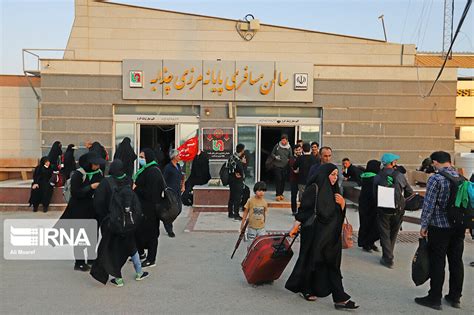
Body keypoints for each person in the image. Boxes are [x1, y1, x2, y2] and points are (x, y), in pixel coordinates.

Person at [286, 163, 358, 310]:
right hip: (315, 234)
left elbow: (338, 215)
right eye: (332, 174)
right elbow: (304, 210)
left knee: (333, 266)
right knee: (312, 262)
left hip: (331, 237)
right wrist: (295, 225)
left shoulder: (335, 191)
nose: (334, 178)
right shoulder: (314, 188)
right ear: (324, 175)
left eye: (336, 175)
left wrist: (343, 205)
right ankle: (306, 288)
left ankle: (340, 298)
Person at [415, 151, 465, 310]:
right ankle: (455, 297)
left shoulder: (436, 179)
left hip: (439, 226)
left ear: (435, 162)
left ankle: (434, 297)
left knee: (438, 261)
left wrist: (424, 226)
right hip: (458, 226)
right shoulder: (461, 178)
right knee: (456, 261)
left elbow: (429, 204)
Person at [90, 159, 149, 286]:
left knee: (113, 250)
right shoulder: (129, 180)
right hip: (128, 221)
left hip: (112, 222)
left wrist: (105, 216)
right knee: (132, 247)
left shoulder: (106, 182)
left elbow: (98, 203)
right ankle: (139, 272)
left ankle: (118, 278)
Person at [59, 151, 105, 271]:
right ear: (89, 164)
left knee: (93, 235)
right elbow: (76, 192)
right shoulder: (78, 174)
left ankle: (90, 258)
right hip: (79, 210)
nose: (98, 166)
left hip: (93, 210)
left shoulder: (99, 173)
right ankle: (79, 262)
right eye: (95, 164)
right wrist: (90, 187)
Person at [373, 153, 413, 268]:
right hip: (398, 208)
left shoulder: (378, 176)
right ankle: (389, 255)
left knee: (384, 232)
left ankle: (388, 257)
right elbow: (409, 191)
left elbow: (374, 194)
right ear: (392, 163)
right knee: (393, 232)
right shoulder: (400, 175)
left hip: (383, 208)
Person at [133, 148, 165, 268]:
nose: (140, 159)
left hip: (150, 208)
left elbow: (151, 193)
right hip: (143, 207)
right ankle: (141, 254)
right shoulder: (147, 170)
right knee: (140, 231)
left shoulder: (153, 172)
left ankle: (151, 259)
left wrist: (136, 188)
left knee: (151, 234)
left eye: (142, 157)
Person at [357, 160, 381, 252]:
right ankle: (368, 243)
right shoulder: (375, 177)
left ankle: (366, 242)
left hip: (364, 203)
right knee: (373, 224)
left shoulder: (365, 176)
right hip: (372, 203)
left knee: (364, 223)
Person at [163, 149, 185, 238]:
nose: (179, 157)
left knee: (179, 209)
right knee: (172, 210)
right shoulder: (168, 168)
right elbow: (164, 179)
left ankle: (168, 221)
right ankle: (169, 229)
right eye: (178, 155)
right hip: (171, 192)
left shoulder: (178, 166)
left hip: (178, 191)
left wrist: (183, 185)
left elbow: (182, 176)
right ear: (174, 157)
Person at [271, 134, 293, 201]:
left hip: (285, 166)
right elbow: (272, 153)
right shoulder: (277, 145)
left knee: (283, 180)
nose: (283, 141)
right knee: (278, 179)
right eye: (282, 140)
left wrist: (289, 160)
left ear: (287, 140)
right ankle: (277, 194)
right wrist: (275, 157)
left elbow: (291, 156)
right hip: (277, 166)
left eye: (284, 140)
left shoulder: (289, 147)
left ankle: (281, 194)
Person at [228, 144, 246, 220]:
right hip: (237, 182)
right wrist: (243, 163)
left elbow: (231, 169)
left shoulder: (231, 157)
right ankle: (236, 214)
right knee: (237, 198)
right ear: (242, 150)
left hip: (231, 181)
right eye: (243, 150)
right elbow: (241, 171)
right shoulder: (238, 160)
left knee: (232, 197)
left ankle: (230, 213)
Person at [289, 144, 302, 215]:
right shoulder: (292, 159)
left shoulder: (303, 158)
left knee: (302, 196)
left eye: (299, 150)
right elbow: (295, 170)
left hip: (302, 180)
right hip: (294, 180)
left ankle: (301, 210)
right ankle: (294, 210)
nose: (298, 151)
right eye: (297, 150)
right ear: (294, 151)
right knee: (293, 195)